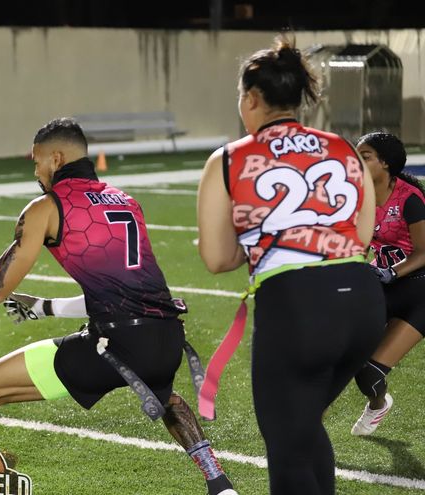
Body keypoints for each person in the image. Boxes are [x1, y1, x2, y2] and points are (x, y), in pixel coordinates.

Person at [0, 118, 237, 495]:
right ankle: (220, 485)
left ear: (55, 159)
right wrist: (45, 307)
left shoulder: (47, 207)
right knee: (163, 392)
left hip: (113, 347)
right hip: (167, 339)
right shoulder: (125, 200)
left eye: (37, 162)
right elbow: (120, 292)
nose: (36, 172)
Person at [196, 35, 384, 494]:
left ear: (251, 98)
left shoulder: (230, 158)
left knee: (288, 450)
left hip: (298, 306)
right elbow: (361, 236)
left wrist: (258, 243)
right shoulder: (343, 147)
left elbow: (217, 258)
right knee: (303, 426)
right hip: (362, 300)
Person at [350, 132, 425, 435]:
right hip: (382, 287)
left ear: (385, 162)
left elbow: (424, 252)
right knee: (346, 358)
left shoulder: (410, 199)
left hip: (418, 291)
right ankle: (378, 402)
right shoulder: (360, 197)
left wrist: (393, 272)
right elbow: (359, 245)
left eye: (365, 156)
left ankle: (376, 405)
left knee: (371, 371)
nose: (357, 161)